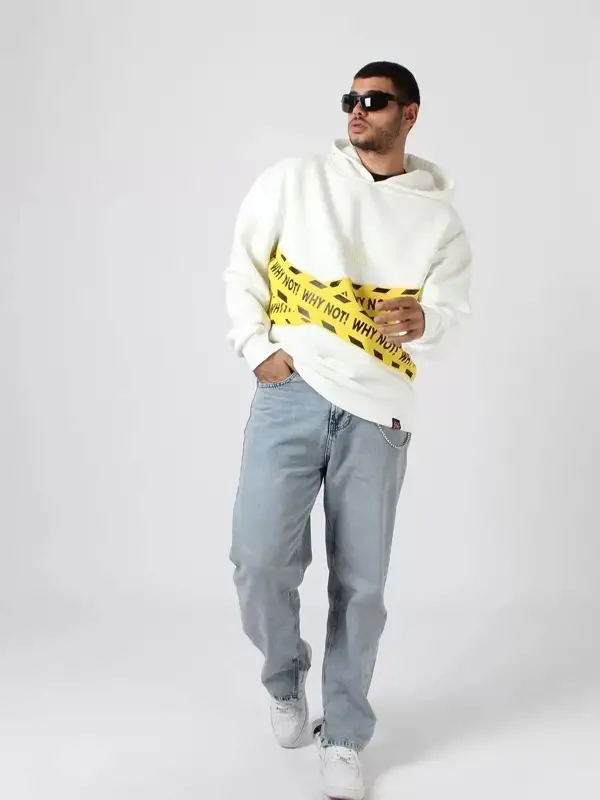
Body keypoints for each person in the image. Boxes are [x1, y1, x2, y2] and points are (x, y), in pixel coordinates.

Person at [224, 60, 472, 800]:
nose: (358, 111)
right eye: (351, 100)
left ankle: (346, 734)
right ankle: (284, 679)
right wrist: (258, 349)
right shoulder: (295, 180)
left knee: (361, 584)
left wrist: (426, 320)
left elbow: (450, 316)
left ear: (410, 114)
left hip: (379, 411)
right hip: (291, 390)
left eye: (375, 101)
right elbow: (244, 266)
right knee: (257, 559)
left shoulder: (439, 220)